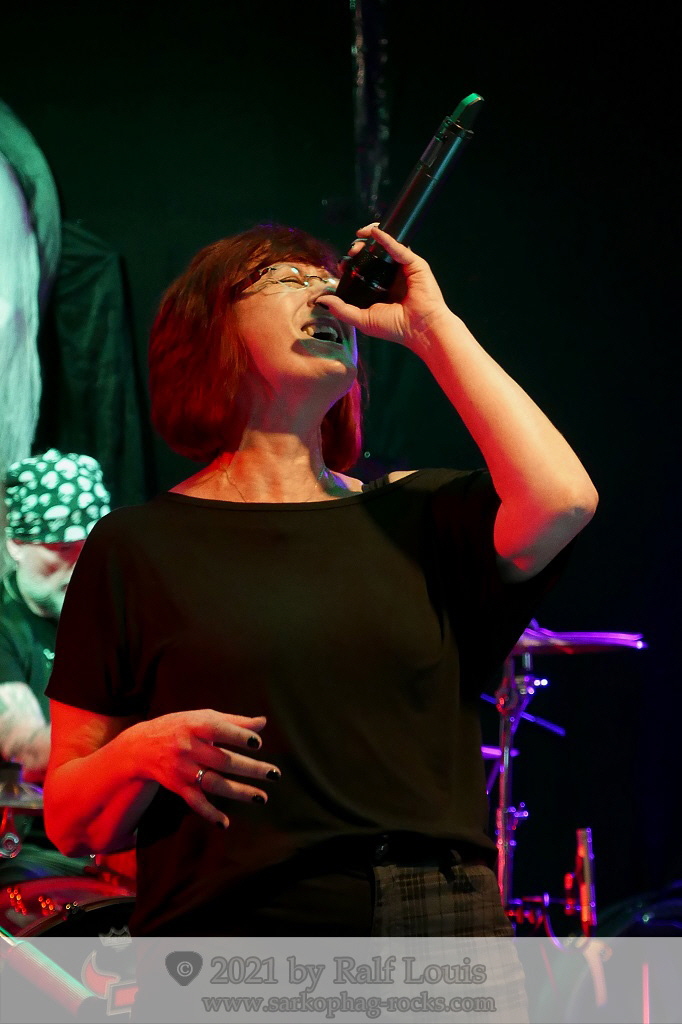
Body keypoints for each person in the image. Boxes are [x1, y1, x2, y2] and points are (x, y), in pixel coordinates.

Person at [42, 222, 598, 942]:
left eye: (328, 280)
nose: (326, 293)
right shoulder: (136, 546)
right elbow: (70, 817)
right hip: (234, 933)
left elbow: (564, 500)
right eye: (286, 278)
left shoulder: (417, 514)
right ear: (212, 330)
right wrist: (137, 751)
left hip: (434, 928)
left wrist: (432, 328)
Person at [0, 448, 111, 783]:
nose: (81, 565)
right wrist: (143, 734)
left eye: (91, 547)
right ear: (16, 544)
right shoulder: (5, 625)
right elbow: (29, 750)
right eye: (63, 549)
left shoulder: (112, 611)